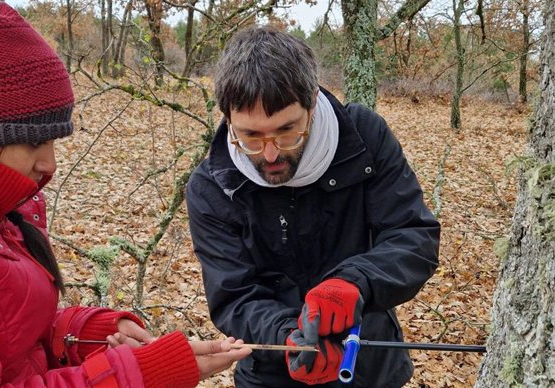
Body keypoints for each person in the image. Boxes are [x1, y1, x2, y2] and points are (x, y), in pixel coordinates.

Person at [0, 2, 250, 387]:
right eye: (34, 141)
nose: (48, 163)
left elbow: (8, 333)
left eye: (52, 140)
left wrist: (82, 333)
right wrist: (141, 375)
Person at [185, 26, 440, 387]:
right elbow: (234, 296)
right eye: (251, 136)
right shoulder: (213, 185)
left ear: (312, 102)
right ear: (228, 119)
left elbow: (414, 237)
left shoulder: (363, 137)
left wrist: (355, 283)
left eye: (287, 131)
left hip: (368, 363)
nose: (270, 154)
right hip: (271, 369)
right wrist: (289, 337)